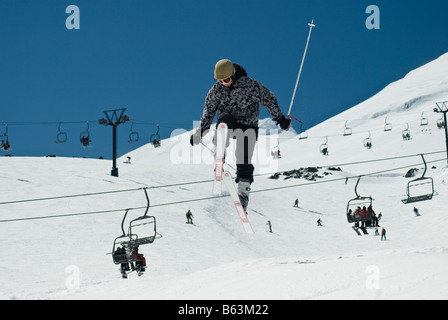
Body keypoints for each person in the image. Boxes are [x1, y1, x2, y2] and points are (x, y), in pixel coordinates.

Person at [190, 59, 291, 211]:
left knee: (243, 153)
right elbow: (209, 111)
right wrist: (200, 132)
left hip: (248, 124)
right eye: (221, 80)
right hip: (229, 121)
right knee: (224, 122)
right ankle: (220, 152)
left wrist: (280, 118)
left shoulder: (250, 86)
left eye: (227, 79)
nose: (224, 83)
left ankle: (243, 190)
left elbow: (268, 99)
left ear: (234, 75)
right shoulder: (216, 90)